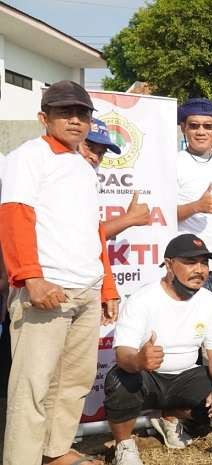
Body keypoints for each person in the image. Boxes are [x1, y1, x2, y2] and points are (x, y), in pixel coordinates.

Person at [0, 80, 119, 465]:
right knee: (32, 387)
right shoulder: (29, 156)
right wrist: (30, 277)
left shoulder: (82, 166)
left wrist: (107, 286)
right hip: (47, 287)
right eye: (65, 112)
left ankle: (55, 452)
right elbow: (14, 217)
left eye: (82, 113)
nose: (75, 120)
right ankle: (22, 459)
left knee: (73, 382)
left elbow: (93, 230)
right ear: (43, 117)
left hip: (85, 288)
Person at [104, 234, 212, 465]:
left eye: (204, 263)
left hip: (186, 376)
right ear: (169, 265)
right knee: (119, 380)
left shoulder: (210, 301)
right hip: (148, 377)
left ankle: (170, 418)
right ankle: (124, 445)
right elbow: (122, 355)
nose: (200, 270)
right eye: (190, 262)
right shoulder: (143, 299)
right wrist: (139, 360)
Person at [175, 98, 212, 302]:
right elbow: (162, 215)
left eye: (208, 126)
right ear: (183, 127)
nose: (201, 132)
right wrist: (196, 207)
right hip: (191, 263)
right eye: (194, 126)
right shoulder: (173, 163)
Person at [79, 118, 152, 239]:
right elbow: (84, 238)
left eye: (101, 153)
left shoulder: (86, 180)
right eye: (89, 147)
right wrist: (129, 218)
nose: (95, 157)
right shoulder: (60, 179)